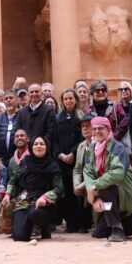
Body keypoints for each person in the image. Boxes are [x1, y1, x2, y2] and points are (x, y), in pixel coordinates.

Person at [82, 117, 132, 242]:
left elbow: (117, 174)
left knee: (106, 189)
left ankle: (118, 229)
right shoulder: (91, 150)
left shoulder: (118, 147)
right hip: (106, 196)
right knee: (99, 233)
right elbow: (87, 173)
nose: (97, 131)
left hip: (126, 190)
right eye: (94, 129)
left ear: (108, 129)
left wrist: (95, 187)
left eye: (101, 128)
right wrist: (94, 197)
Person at [4, 136, 63, 242]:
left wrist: (45, 198)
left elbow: (59, 189)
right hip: (25, 201)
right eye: (35, 144)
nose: (38, 146)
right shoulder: (25, 163)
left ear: (47, 147)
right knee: (19, 237)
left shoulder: (53, 165)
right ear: (31, 147)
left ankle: (45, 228)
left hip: (44, 204)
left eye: (42, 144)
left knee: (35, 214)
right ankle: (28, 228)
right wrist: (7, 194)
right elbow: (14, 180)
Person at [54, 88, 82, 232]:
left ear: (75, 100)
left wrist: (72, 153)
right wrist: (61, 155)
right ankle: (69, 223)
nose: (68, 101)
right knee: (64, 193)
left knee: (75, 192)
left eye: (71, 98)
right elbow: (54, 140)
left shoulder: (81, 117)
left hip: (76, 160)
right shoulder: (58, 118)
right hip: (61, 160)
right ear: (62, 101)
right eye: (66, 99)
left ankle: (78, 224)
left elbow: (82, 138)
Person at [70, 115, 95, 233]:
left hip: (98, 183)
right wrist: (76, 184)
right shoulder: (81, 146)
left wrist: (84, 184)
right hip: (83, 184)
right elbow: (77, 169)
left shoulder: (101, 144)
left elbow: (99, 172)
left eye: (88, 126)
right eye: (83, 127)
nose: (85, 129)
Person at [0, 89, 20, 161]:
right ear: (3, 101)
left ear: (17, 100)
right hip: (1, 159)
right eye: (6, 99)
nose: (8, 100)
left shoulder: (23, 116)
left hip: (18, 158)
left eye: (11, 98)